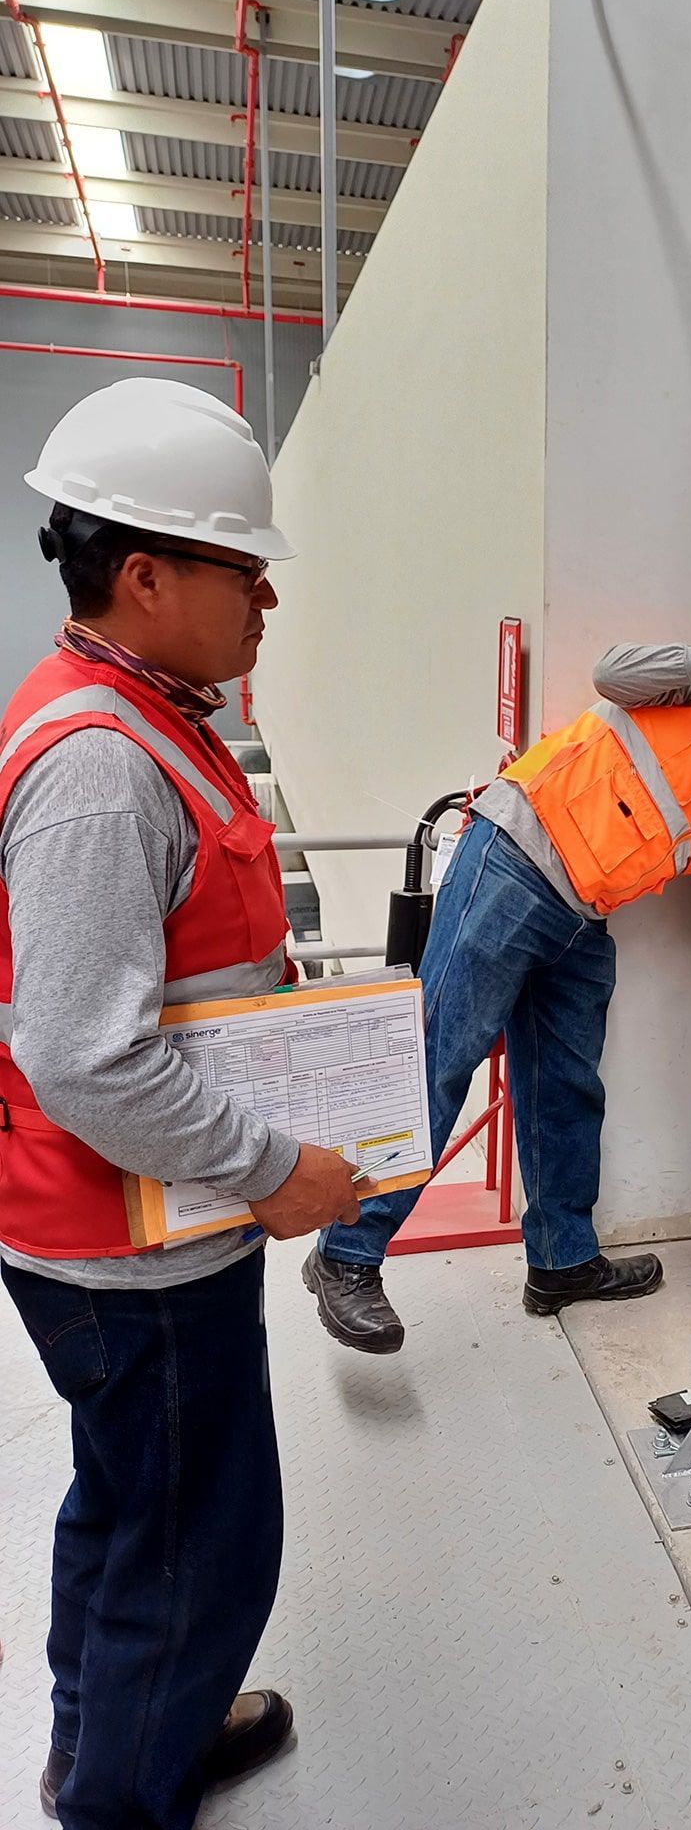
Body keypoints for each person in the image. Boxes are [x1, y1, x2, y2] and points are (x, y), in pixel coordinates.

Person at [0, 378, 362, 1828]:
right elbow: (84, 1057)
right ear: (144, 578)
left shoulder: (152, 712)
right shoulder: (104, 768)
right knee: (192, 1543)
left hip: (146, 1227)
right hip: (130, 1248)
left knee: (131, 1508)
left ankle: (113, 1743)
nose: (265, 592)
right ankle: (118, 1800)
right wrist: (273, 1166)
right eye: (241, 565)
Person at [303, 642, 691, 1352]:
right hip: (514, 863)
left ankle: (562, 1261)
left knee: (565, 1087)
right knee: (437, 1063)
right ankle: (346, 1255)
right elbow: (614, 671)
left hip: (585, 909)